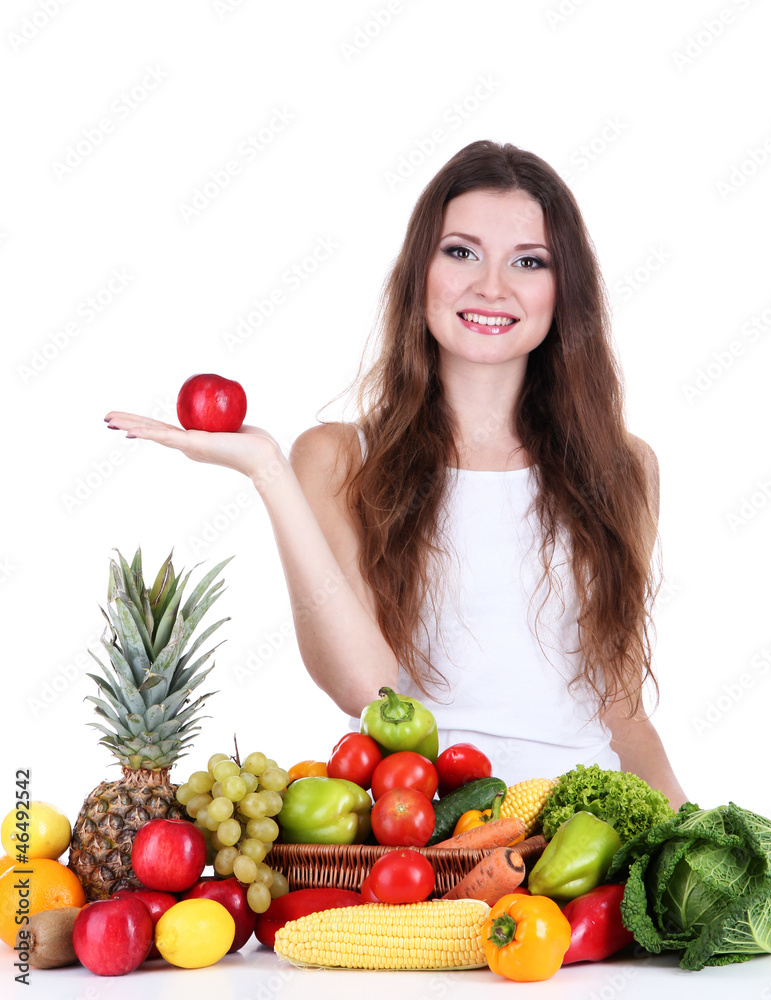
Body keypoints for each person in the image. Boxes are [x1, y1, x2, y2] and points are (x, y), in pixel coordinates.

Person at [105, 140, 687, 808]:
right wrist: (268, 472)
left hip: (587, 847)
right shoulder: (338, 459)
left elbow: (621, 710)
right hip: (419, 838)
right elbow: (368, 689)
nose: (491, 287)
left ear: (565, 291)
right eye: (461, 252)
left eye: (528, 262)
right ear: (420, 271)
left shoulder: (625, 468)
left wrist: (694, 838)